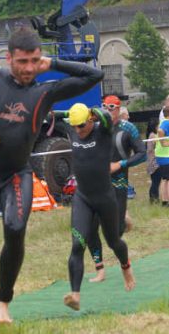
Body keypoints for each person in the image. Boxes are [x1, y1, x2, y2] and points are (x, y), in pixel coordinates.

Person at [0, 28, 103, 328]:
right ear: (9, 58)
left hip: (17, 173)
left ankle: (3, 302)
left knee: (15, 227)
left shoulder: (45, 92)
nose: (28, 68)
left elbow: (92, 76)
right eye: (22, 61)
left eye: (34, 61)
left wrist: (52, 63)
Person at [53, 103, 135, 310]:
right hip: (83, 197)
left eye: (81, 126)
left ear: (90, 120)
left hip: (105, 197)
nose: (78, 131)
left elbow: (106, 116)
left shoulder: (103, 130)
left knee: (113, 241)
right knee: (77, 245)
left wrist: (93, 113)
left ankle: (126, 268)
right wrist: (67, 114)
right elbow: (48, 116)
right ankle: (75, 295)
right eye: (75, 126)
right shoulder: (73, 126)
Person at [87, 95, 146, 283]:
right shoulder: (95, 128)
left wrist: (120, 164)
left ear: (119, 110)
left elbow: (142, 154)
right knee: (90, 228)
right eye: (104, 106)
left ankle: (123, 218)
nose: (107, 110)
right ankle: (100, 270)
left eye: (111, 107)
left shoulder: (128, 129)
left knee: (115, 233)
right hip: (96, 183)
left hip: (118, 183)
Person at [145, 118, 162, 203]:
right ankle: (154, 199)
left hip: (152, 163)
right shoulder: (153, 136)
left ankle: (154, 198)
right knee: (156, 182)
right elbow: (158, 145)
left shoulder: (151, 135)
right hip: (154, 163)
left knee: (155, 182)